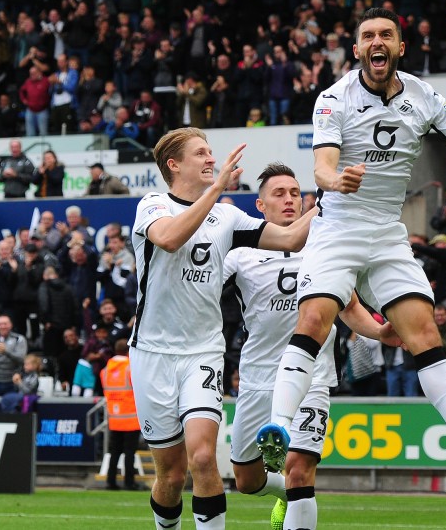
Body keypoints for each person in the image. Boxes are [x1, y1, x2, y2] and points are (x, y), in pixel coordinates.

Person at [130, 128, 315, 530]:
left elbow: (291, 238)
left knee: (201, 458)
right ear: (174, 165)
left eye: (211, 152)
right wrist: (215, 190)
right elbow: (169, 239)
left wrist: (330, 199)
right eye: (201, 153)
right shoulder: (153, 206)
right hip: (151, 355)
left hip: (203, 354)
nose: (211, 159)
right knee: (171, 475)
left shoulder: (228, 217)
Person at [222, 164, 396, 528]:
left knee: (299, 470)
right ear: (260, 205)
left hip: (312, 378)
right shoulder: (239, 254)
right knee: (246, 480)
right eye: (279, 194)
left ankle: (296, 493)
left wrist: (379, 333)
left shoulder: (325, 247)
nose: (289, 200)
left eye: (294, 193)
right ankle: (285, 496)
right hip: (258, 379)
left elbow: (348, 307)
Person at [101, 339, 141, 490]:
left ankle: (110, 481)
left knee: (114, 452)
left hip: (114, 418)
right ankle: (129, 482)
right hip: (131, 418)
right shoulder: (131, 368)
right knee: (130, 452)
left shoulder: (105, 371)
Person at [0, 315, 27, 396]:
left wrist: (6, 351)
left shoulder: (19, 339)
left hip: (13, 381)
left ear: (11, 325)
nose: (3, 326)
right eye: (0, 324)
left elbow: (22, 359)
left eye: (5, 324)